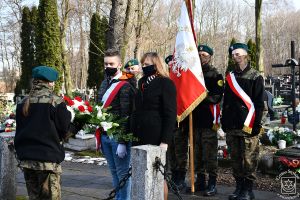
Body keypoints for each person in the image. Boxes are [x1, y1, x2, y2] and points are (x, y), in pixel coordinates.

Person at [14, 66, 71, 200]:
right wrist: (77, 124)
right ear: (51, 82)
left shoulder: (23, 102)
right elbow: (65, 130)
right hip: (48, 161)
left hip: (27, 160)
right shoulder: (55, 102)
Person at [221, 43, 264, 200]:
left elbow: (260, 103)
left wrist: (257, 124)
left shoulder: (255, 76)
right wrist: (223, 120)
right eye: (233, 55)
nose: (236, 57)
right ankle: (239, 187)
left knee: (248, 159)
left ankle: (248, 190)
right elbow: (226, 101)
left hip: (248, 126)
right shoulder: (230, 76)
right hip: (232, 125)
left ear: (246, 55)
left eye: (238, 54)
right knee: (235, 159)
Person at [132, 52, 177, 200]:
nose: (144, 67)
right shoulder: (142, 82)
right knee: (142, 173)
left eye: (147, 64)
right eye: (143, 64)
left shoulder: (165, 83)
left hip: (156, 134)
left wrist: (165, 140)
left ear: (156, 65)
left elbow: (170, 114)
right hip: (140, 134)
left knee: (158, 175)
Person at [98, 49, 134, 200]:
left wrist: (123, 142)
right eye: (106, 63)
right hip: (105, 134)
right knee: (113, 172)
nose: (108, 66)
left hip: (118, 137)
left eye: (111, 63)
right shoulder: (105, 82)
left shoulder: (126, 84)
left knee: (123, 174)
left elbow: (127, 115)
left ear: (119, 64)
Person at [192, 44, 224, 196]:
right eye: (199, 54)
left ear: (210, 56)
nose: (201, 57)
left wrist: (199, 98)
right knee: (196, 152)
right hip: (195, 120)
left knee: (209, 153)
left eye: (204, 55)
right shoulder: (192, 73)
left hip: (209, 120)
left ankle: (212, 183)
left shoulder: (215, 75)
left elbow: (216, 97)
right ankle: (200, 181)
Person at [164, 54, 189, 191]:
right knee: (171, 152)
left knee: (180, 151)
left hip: (180, 121)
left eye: (172, 65)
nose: (171, 67)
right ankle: (173, 176)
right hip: (168, 121)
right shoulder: (165, 80)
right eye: (169, 65)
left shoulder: (181, 79)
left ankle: (181, 177)